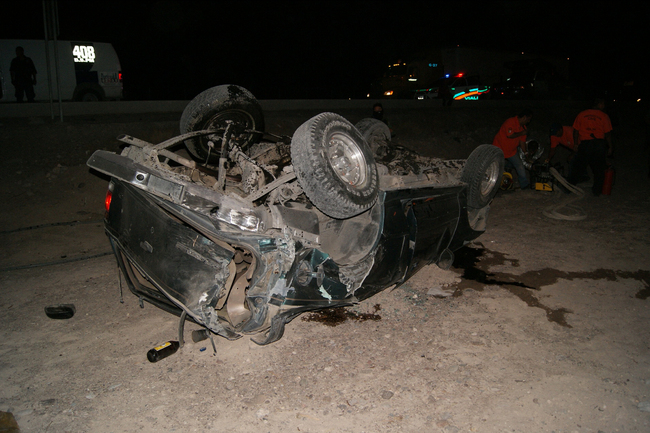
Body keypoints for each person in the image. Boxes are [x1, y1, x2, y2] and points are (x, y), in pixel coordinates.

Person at [567, 98, 613, 196]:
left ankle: (569, 187)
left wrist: (576, 144)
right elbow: (608, 133)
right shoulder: (604, 116)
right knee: (599, 169)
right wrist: (610, 146)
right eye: (602, 104)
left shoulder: (582, 114)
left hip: (585, 144)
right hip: (599, 144)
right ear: (599, 104)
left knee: (577, 167)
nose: (603, 106)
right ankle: (597, 191)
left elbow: (576, 131)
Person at [493, 109, 533, 190]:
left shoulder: (523, 128)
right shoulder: (510, 122)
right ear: (524, 117)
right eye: (528, 119)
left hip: (511, 151)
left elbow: (522, 142)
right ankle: (493, 185)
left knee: (519, 166)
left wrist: (525, 153)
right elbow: (510, 135)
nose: (528, 122)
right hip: (499, 149)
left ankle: (524, 184)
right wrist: (522, 133)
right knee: (495, 168)